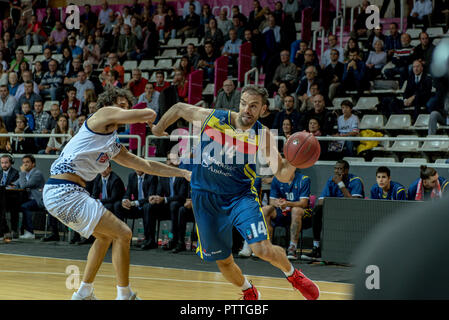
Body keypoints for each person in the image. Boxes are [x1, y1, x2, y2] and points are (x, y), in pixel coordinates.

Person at [151, 84, 319, 300]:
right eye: (244, 104)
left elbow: (283, 175)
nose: (247, 110)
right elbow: (178, 108)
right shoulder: (213, 117)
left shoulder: (263, 135)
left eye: (253, 106)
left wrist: (295, 161)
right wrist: (158, 128)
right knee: (223, 259)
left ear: (263, 110)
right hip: (205, 197)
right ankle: (248, 290)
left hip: (240, 197)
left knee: (262, 249)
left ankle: (293, 275)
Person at [42, 87, 191, 300]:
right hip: (64, 191)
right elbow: (148, 113)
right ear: (109, 105)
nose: (124, 110)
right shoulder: (101, 115)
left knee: (104, 237)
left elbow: (148, 165)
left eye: (126, 107)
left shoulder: (111, 143)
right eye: (121, 106)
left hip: (67, 192)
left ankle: (83, 292)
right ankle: (124, 295)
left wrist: (183, 172)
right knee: (123, 233)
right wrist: (154, 125)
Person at [303, 160, 364, 260]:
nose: (337, 171)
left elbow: (354, 202)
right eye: (335, 168)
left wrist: (340, 184)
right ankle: (316, 247)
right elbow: (321, 201)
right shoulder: (331, 180)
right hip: (335, 210)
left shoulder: (355, 181)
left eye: (340, 169)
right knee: (317, 211)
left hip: (352, 212)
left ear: (347, 170)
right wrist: (337, 204)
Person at [258, 170, 312, 260]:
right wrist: (278, 203)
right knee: (265, 209)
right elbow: (272, 201)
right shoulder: (276, 179)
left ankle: (292, 247)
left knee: (296, 210)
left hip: (302, 214)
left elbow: (304, 203)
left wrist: (288, 203)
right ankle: (267, 246)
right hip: (283, 211)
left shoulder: (304, 179)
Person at [113, 169, 158, 248]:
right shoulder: (132, 176)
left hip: (148, 206)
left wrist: (134, 203)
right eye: (135, 166)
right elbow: (128, 192)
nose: (137, 168)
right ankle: (121, 237)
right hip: (136, 207)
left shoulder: (152, 176)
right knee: (117, 205)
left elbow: (150, 197)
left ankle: (149, 240)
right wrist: (125, 200)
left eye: (139, 166)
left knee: (147, 207)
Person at [13, 155, 46, 240]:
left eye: (27, 162)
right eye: (23, 162)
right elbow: (15, 184)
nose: (25, 164)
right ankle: (19, 231)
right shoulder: (26, 174)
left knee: (25, 206)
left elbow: (23, 185)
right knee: (16, 205)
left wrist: (22, 172)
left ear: (33, 164)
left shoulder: (37, 174)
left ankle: (30, 232)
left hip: (39, 200)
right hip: (29, 199)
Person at [0, 154, 19, 240]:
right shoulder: (0, 172)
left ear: (11, 163)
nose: (4, 165)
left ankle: (6, 230)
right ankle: (4, 230)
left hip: (12, 198)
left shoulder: (15, 173)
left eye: (6, 163)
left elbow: (14, 185)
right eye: (2, 163)